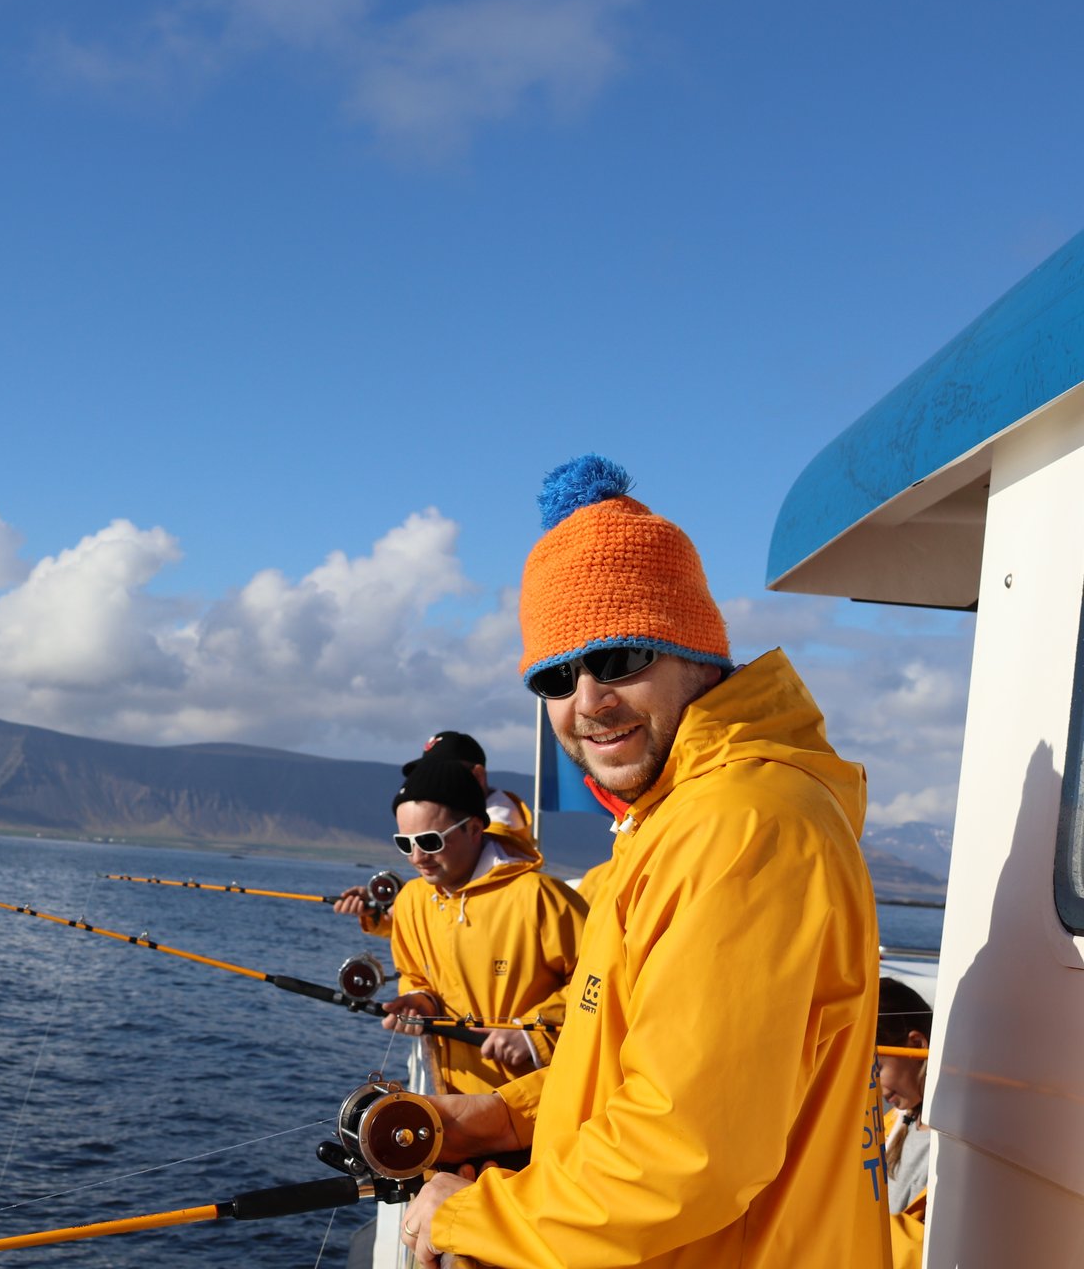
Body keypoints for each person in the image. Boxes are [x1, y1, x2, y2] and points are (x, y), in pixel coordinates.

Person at [398, 455, 890, 1268]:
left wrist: (478, 1216)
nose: (589, 701)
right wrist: (499, 1116)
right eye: (557, 677)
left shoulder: (740, 829)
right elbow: (631, 1068)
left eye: (620, 659)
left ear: (696, 653)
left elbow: (687, 1149)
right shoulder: (669, 826)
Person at [374, 747, 587, 1090]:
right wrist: (418, 999)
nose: (417, 857)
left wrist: (536, 1035)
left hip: (543, 1101)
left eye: (430, 841)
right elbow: (414, 974)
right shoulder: (412, 900)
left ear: (474, 829)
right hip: (453, 1100)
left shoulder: (540, 897)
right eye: (404, 843)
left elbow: (605, 980)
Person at [334, 731, 537, 937]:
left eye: (432, 841)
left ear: (478, 775)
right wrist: (383, 905)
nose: (431, 783)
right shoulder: (478, 828)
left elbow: (462, 911)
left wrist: (398, 903)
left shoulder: (496, 836)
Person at [877, 977, 932, 1269]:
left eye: (876, 1069)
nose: (870, 1088)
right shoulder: (894, 1124)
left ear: (916, 1045)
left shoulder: (952, 1146)